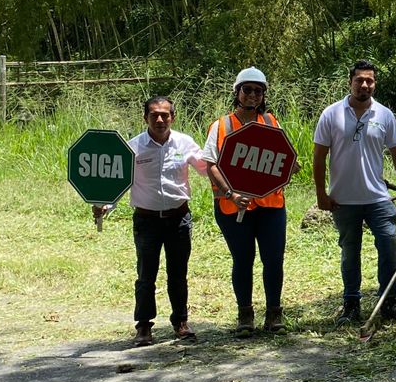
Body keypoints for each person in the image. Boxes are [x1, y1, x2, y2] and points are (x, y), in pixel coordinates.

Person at [313, 60, 396, 325]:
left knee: (388, 244)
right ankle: (350, 305)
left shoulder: (384, 115)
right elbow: (318, 157)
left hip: (378, 198)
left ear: (375, 84)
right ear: (350, 82)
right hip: (343, 199)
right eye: (360, 80)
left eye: (370, 80)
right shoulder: (331, 114)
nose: (365, 85)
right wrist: (321, 195)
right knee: (350, 252)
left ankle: (389, 302)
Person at [104, 96, 206, 347]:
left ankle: (180, 323)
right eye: (154, 115)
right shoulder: (133, 147)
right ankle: (144, 326)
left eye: (165, 115)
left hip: (178, 218)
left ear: (173, 117)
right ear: (145, 118)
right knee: (146, 275)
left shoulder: (185, 143)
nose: (160, 120)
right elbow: (120, 180)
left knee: (178, 274)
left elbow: (208, 169)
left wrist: (233, 185)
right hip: (147, 220)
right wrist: (105, 205)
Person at [202, 67, 288, 335]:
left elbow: (285, 160)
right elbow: (211, 164)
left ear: (264, 95)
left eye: (258, 91)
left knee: (273, 259)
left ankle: (274, 314)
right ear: (237, 92)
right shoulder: (222, 125)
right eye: (247, 89)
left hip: (271, 206)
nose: (252, 95)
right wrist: (231, 193)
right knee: (243, 259)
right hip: (233, 207)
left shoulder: (272, 122)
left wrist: (289, 168)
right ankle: (245, 316)